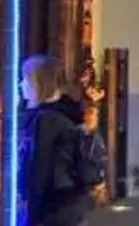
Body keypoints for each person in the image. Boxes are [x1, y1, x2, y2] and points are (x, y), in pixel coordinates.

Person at [18, 55, 95, 226]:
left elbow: (39, 170)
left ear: (39, 84)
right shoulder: (68, 113)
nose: (21, 85)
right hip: (71, 203)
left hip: (53, 208)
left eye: (25, 79)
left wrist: (31, 213)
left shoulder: (46, 121)